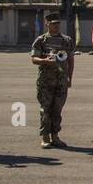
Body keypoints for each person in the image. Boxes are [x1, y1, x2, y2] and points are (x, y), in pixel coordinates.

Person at [30, 11, 74, 149]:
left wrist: (69, 78)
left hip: (61, 81)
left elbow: (71, 60)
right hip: (45, 81)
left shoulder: (67, 40)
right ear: (47, 24)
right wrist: (44, 61)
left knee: (57, 110)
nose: (56, 26)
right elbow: (33, 59)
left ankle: (55, 136)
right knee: (45, 109)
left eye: (57, 24)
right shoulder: (41, 40)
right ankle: (45, 137)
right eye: (53, 24)